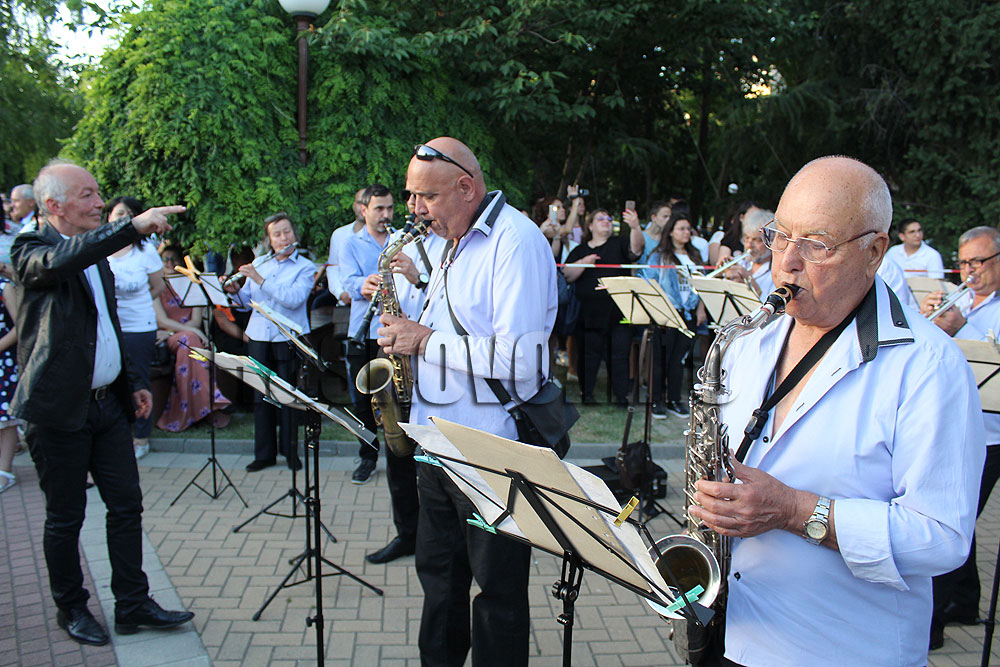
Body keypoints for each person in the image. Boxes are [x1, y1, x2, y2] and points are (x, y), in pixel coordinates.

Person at [688, 156, 984, 666]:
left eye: (816, 244)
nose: (786, 263)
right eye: (780, 236)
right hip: (733, 631)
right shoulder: (747, 341)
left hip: (841, 649)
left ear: (874, 252)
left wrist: (794, 510)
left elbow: (944, 539)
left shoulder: (930, 366)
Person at [377, 137, 557, 666]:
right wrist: (405, 323)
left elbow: (522, 359)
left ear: (466, 187)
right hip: (435, 443)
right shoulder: (445, 240)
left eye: (426, 197)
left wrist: (423, 341)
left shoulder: (515, 241)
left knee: (497, 594)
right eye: (410, 196)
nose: (415, 210)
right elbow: (452, 322)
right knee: (439, 583)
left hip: (490, 453)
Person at [11, 159, 194, 646]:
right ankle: (72, 608)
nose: (99, 202)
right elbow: (57, 264)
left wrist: (131, 380)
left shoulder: (94, 254)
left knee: (126, 506)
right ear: (54, 206)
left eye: (98, 193)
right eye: (87, 195)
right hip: (57, 410)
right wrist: (129, 227)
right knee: (66, 516)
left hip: (107, 405)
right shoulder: (30, 248)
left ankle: (133, 603)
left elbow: (107, 325)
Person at [921, 225, 1000, 649]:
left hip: (991, 435)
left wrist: (961, 329)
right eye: (965, 262)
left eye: (979, 262)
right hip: (958, 424)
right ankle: (966, 603)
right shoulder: (963, 298)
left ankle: (929, 627)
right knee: (962, 516)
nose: (970, 271)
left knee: (950, 519)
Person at [226, 212, 313, 472]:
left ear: (294, 234)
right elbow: (247, 303)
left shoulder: (305, 267)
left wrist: (259, 279)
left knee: (287, 395)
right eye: (277, 234)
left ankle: (290, 451)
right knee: (261, 396)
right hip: (259, 336)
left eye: (287, 232)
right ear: (270, 240)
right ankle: (264, 454)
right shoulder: (260, 263)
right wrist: (233, 292)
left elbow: (293, 299)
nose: (283, 238)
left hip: (287, 337)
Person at [340, 184, 395, 486]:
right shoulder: (350, 243)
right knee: (363, 402)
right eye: (379, 209)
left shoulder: (400, 239)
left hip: (392, 332)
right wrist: (365, 283)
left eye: (390, 208)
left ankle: (402, 457)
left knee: (397, 399)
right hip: (362, 331)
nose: (386, 214)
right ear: (364, 210)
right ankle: (368, 457)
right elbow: (348, 282)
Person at [564, 207, 644, 404]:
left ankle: (621, 396)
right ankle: (587, 394)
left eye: (609, 218)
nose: (606, 221)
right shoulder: (580, 250)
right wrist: (585, 262)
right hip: (589, 314)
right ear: (590, 225)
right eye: (600, 218)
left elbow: (636, 251)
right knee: (588, 355)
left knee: (619, 354)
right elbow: (567, 276)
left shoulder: (620, 243)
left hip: (619, 311)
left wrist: (635, 227)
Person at [106, 196, 166, 458]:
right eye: (119, 213)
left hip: (139, 325)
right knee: (110, 381)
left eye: (129, 214)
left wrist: (137, 302)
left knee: (139, 380)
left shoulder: (146, 252)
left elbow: (158, 286)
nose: (123, 219)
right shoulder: (100, 249)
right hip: (108, 326)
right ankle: (116, 435)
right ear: (109, 216)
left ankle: (141, 438)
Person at [155, 245, 231, 433]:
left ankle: (193, 410)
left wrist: (189, 332)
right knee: (191, 339)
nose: (169, 263)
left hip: (186, 337)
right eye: (165, 259)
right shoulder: (157, 286)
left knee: (189, 342)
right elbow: (162, 321)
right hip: (166, 337)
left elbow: (196, 321)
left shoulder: (191, 285)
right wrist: (182, 333)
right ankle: (211, 404)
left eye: (173, 259)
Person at [639, 211, 706, 418]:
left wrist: (701, 308)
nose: (686, 232)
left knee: (678, 359)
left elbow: (703, 284)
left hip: (689, 313)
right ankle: (656, 399)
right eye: (681, 229)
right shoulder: (659, 256)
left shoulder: (694, 255)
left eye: (688, 229)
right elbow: (650, 282)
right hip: (666, 314)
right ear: (671, 232)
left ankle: (674, 399)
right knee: (660, 358)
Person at [326, 188, 366, 306]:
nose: (362, 208)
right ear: (354, 205)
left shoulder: (390, 236)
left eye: (367, 203)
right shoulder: (339, 234)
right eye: (359, 203)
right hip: (345, 304)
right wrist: (340, 293)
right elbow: (333, 268)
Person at [723, 207, 775, 297]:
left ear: (771, 242)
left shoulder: (775, 273)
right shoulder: (739, 263)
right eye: (747, 238)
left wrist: (750, 283)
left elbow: (771, 304)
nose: (749, 245)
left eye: (756, 240)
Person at [0, 276, 20, 493]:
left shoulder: (4, 287)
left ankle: (4, 470)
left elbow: (20, 325)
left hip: (4, 362)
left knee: (6, 417)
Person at [708, 200, 759, 265]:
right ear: (741, 217)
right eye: (752, 216)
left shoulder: (764, 241)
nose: (756, 219)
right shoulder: (730, 239)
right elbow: (723, 265)